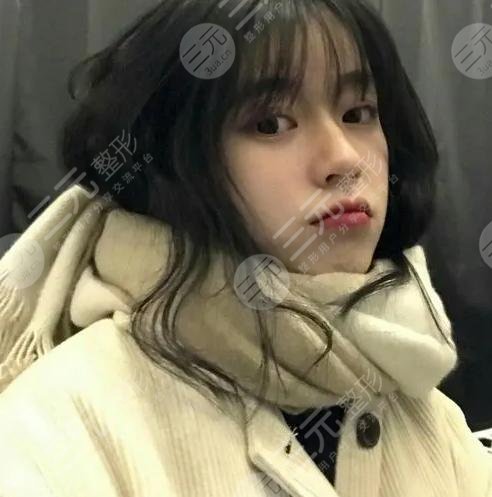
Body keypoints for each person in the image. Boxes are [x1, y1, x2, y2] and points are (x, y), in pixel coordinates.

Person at [0, 0, 490, 496]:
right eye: (270, 124)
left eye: (357, 114)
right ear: (172, 164)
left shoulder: (425, 412)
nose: (344, 159)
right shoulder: (55, 433)